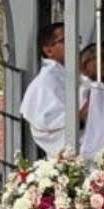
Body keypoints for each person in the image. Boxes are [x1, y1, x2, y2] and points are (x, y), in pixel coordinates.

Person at [19, 22, 76, 156]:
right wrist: (81, 115)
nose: (73, 45)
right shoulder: (47, 81)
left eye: (75, 39)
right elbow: (47, 121)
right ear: (49, 50)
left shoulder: (71, 77)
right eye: (66, 40)